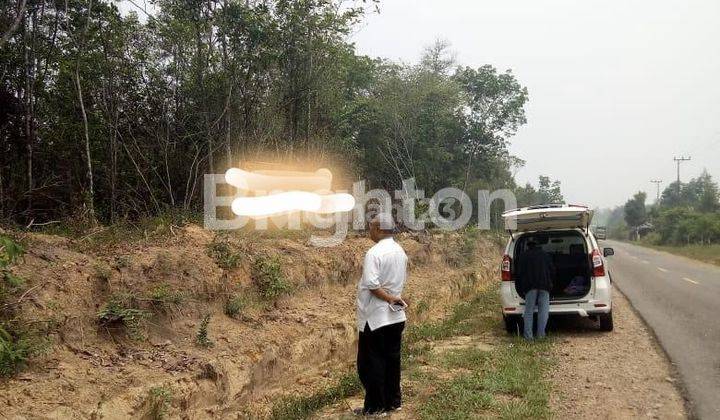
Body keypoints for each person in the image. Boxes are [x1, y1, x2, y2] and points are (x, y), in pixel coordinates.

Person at [355, 213, 408, 415]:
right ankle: (393, 402)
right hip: (395, 317)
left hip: (376, 318)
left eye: (370, 228)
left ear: (378, 229)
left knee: (371, 363)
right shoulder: (400, 251)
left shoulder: (374, 253)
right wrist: (395, 297)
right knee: (392, 361)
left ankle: (375, 407)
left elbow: (372, 284)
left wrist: (388, 299)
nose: (369, 231)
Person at [516, 240, 555, 340]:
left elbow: (519, 273)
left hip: (530, 287)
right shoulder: (545, 255)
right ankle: (541, 335)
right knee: (543, 311)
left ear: (528, 246)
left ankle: (528, 337)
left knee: (529, 311)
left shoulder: (523, 256)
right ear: (539, 246)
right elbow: (552, 270)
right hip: (544, 286)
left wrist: (521, 287)